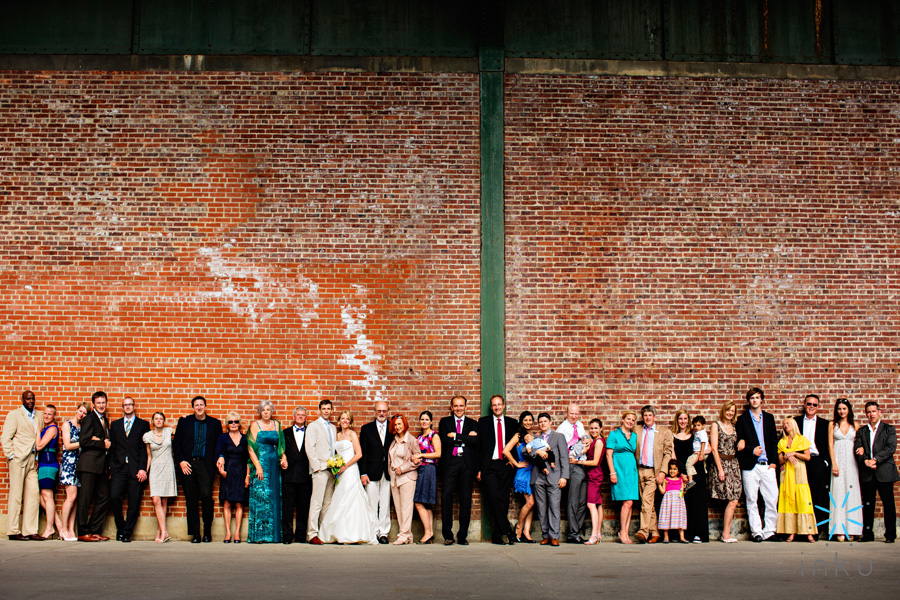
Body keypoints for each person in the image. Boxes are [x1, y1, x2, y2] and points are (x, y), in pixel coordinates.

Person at [319, 410, 378, 544]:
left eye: (347, 419)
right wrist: (335, 466)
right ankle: (338, 532)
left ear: (350, 422)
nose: (345, 421)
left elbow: (359, 454)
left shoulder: (352, 434)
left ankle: (353, 533)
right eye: (343, 418)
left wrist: (345, 466)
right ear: (339, 421)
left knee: (351, 498)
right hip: (339, 471)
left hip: (350, 470)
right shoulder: (337, 435)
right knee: (339, 499)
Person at [172, 395, 223, 543]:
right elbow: (177, 443)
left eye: (201, 405)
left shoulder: (215, 424)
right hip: (187, 464)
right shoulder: (185, 422)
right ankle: (195, 534)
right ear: (193, 407)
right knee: (191, 499)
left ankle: (207, 532)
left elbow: (219, 445)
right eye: (196, 405)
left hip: (205, 465)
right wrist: (181, 461)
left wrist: (221, 456)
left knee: (207, 496)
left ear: (205, 407)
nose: (199, 407)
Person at [735, 387, 779, 543]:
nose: (755, 400)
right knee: (752, 499)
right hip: (750, 466)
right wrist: (751, 450)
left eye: (757, 398)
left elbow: (774, 442)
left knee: (772, 498)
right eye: (752, 398)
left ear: (762, 400)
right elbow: (738, 444)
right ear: (749, 401)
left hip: (767, 465)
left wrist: (774, 462)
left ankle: (770, 531)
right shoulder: (742, 420)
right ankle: (757, 532)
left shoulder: (769, 418)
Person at [854, 401, 899, 543]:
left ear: (879, 412)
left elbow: (891, 448)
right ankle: (867, 535)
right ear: (866, 414)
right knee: (868, 504)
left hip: (884, 471)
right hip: (868, 473)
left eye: (874, 411)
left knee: (888, 504)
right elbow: (857, 448)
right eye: (868, 412)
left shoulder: (889, 429)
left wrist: (875, 460)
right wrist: (865, 460)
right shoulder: (861, 431)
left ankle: (890, 535)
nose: (871, 414)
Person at [477, 394, 519, 545]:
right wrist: (479, 469)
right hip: (489, 466)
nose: (497, 407)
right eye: (494, 405)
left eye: (499, 404)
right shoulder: (483, 422)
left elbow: (517, 444)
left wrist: (514, 461)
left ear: (503, 405)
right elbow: (479, 447)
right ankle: (508, 531)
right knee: (494, 497)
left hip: (505, 466)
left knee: (504, 500)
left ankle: (496, 536)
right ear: (491, 407)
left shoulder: (512, 423)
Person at [2, 390, 43, 541]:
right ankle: (13, 531)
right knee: (16, 495)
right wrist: (11, 456)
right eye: (28, 399)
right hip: (18, 459)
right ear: (22, 400)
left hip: (33, 460)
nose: (31, 401)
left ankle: (30, 530)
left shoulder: (38, 415)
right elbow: (6, 437)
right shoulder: (14, 415)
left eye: (32, 399)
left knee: (33, 495)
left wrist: (37, 456)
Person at [438, 395, 479, 545]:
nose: (458, 408)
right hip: (450, 464)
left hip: (467, 465)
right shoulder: (445, 422)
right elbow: (444, 440)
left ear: (466, 407)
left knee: (465, 500)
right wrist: (465, 438)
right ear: (451, 407)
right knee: (446, 498)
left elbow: (475, 441)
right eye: (456, 406)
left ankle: (462, 536)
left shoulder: (473, 423)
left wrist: (455, 436)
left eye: (461, 406)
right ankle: (448, 535)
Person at [108, 396, 149, 543]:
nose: (128, 407)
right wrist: (112, 467)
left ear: (134, 406)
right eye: (125, 405)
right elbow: (113, 448)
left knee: (134, 502)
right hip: (119, 468)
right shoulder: (115, 425)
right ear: (122, 407)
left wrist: (143, 469)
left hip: (136, 469)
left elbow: (144, 449)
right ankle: (121, 527)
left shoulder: (143, 425)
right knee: (114, 497)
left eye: (130, 404)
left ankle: (127, 532)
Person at [246, 401, 286, 543]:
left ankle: (273, 535)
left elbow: (281, 445)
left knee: (274, 498)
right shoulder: (254, 426)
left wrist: (284, 458)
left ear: (272, 411)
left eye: (268, 409)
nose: (266, 412)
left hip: (274, 465)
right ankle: (259, 535)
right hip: (261, 464)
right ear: (260, 412)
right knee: (261, 497)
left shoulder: (277, 425)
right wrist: (257, 466)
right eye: (263, 410)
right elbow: (250, 448)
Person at [633, 405, 674, 544]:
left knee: (646, 501)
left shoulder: (664, 432)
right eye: (645, 415)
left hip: (653, 471)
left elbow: (668, 453)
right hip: (639, 470)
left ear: (654, 417)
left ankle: (643, 531)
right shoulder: (637, 430)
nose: (647, 418)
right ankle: (655, 533)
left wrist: (663, 472)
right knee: (648, 504)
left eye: (650, 415)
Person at [528, 412, 569, 546]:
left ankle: (554, 535)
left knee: (554, 506)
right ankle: (545, 535)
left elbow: (564, 457)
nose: (543, 423)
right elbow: (525, 451)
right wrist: (536, 451)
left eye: (545, 421)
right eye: (540, 422)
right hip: (538, 476)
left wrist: (564, 476)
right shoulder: (536, 438)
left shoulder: (558, 437)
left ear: (550, 422)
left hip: (554, 476)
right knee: (541, 507)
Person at [76, 391, 112, 542]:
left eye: (103, 403)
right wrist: (101, 443)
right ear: (93, 405)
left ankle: (93, 530)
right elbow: (84, 441)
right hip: (89, 465)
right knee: (85, 499)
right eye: (98, 403)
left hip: (100, 467)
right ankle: (83, 532)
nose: (101, 405)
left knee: (105, 496)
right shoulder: (89, 419)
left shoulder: (105, 421)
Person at [794, 394, 831, 539]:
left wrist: (825, 462)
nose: (811, 406)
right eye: (809, 403)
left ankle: (814, 531)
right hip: (799, 461)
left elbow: (829, 445)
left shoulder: (825, 424)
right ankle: (799, 531)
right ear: (804, 405)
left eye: (814, 404)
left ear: (818, 407)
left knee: (817, 497)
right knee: (800, 496)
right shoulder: (796, 422)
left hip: (817, 461)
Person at [776, 418, 815, 542]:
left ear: (794, 425)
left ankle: (809, 532)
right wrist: (786, 456)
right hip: (786, 472)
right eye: (784, 424)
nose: (785, 425)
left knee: (803, 500)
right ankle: (791, 532)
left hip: (799, 472)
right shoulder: (782, 442)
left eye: (788, 423)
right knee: (788, 501)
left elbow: (808, 457)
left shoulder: (801, 439)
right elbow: (780, 460)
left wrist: (794, 454)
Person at [827, 398, 862, 541]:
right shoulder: (832, 425)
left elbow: (860, 443)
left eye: (844, 408)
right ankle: (839, 529)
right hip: (838, 461)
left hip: (852, 462)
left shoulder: (856, 425)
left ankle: (852, 528)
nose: (842, 411)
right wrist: (834, 464)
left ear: (849, 410)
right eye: (839, 409)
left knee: (852, 493)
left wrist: (862, 449)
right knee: (838, 493)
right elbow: (830, 445)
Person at [358, 400, 392, 544]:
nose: (382, 413)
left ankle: (383, 533)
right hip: (371, 472)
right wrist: (363, 473)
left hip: (388, 472)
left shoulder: (393, 427)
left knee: (385, 504)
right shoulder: (366, 429)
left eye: (384, 411)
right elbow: (363, 453)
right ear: (375, 412)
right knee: (372, 503)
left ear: (388, 412)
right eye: (379, 411)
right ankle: (373, 531)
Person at [708, 401, 742, 543]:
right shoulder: (716, 425)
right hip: (721, 463)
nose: (730, 413)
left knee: (734, 498)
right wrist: (720, 469)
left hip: (734, 464)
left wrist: (743, 441)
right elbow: (714, 449)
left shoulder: (735, 426)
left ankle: (726, 534)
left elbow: (739, 441)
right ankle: (725, 534)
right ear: (724, 411)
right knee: (729, 498)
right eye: (728, 410)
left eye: (733, 411)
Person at [673, 410, 709, 543]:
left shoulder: (695, 434)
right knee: (680, 503)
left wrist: (701, 454)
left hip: (695, 472)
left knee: (696, 503)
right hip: (680, 473)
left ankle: (697, 533)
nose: (683, 421)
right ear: (677, 420)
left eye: (685, 419)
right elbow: (673, 456)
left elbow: (708, 449)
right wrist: (681, 473)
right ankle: (680, 535)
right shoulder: (672, 435)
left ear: (688, 421)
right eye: (680, 419)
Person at [305, 399, 337, 545]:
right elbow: (309, 448)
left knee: (327, 503)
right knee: (316, 502)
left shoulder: (333, 427)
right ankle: (312, 534)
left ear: (331, 410)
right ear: (319, 410)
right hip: (320, 469)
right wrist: (316, 466)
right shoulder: (313, 426)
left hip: (331, 469)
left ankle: (323, 532)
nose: (326, 411)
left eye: (328, 408)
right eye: (323, 408)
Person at [555, 403, 588, 543]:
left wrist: (586, 443)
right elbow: (562, 449)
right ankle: (573, 533)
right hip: (571, 465)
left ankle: (576, 530)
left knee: (582, 501)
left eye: (576, 413)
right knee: (572, 501)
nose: (574, 416)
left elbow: (586, 440)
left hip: (582, 465)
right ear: (566, 413)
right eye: (571, 413)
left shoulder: (580, 425)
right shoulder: (561, 429)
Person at [502, 411, 536, 543]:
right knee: (531, 502)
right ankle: (519, 528)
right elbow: (505, 450)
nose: (528, 422)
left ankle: (526, 533)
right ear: (521, 422)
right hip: (523, 473)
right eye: (525, 420)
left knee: (532, 504)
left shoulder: (533, 436)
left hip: (533, 472)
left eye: (530, 420)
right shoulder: (518, 436)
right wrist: (516, 464)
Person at [606, 410, 639, 544]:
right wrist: (612, 472)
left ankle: (625, 531)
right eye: (628, 419)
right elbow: (609, 455)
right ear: (623, 419)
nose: (630, 422)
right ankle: (623, 532)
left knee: (630, 502)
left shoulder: (635, 436)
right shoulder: (613, 434)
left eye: (633, 420)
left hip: (631, 470)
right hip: (619, 469)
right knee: (627, 502)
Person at [216, 411, 248, 543]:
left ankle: (237, 534)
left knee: (239, 504)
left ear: (239, 423)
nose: (233, 424)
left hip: (241, 473)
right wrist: (222, 472)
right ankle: (228, 533)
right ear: (227, 424)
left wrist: (247, 476)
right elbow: (218, 454)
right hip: (228, 473)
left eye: (235, 421)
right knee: (227, 503)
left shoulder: (245, 438)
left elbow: (248, 459)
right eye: (230, 422)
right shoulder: (223, 438)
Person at [143, 412, 176, 543]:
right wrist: (145, 471)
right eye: (156, 418)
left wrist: (185, 418)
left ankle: (159, 531)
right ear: (152, 421)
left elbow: (184, 430)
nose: (159, 420)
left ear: (164, 421)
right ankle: (165, 532)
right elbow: (149, 456)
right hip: (155, 468)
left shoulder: (169, 431)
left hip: (167, 467)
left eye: (161, 419)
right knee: (156, 499)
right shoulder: (147, 436)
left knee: (163, 501)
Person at [59, 402, 89, 542]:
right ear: (76, 410)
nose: (81, 414)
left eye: (84, 413)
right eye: (80, 411)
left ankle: (71, 529)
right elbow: (67, 445)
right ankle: (63, 529)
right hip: (69, 463)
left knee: (75, 498)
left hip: (79, 464)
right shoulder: (67, 424)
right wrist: (84, 442)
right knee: (70, 497)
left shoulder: (82, 427)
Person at [281, 406, 311, 544]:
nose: (300, 417)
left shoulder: (311, 432)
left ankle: (300, 536)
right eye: (298, 414)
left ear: (306, 418)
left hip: (305, 475)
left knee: (303, 507)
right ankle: (287, 536)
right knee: (287, 507)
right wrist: (282, 458)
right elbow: (280, 449)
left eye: (303, 415)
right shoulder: (285, 433)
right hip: (289, 474)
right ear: (293, 417)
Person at [388, 414, 420, 544]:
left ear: (405, 424)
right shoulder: (394, 440)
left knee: (406, 508)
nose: (397, 426)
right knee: (399, 509)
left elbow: (418, 460)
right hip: (394, 479)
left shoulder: (411, 440)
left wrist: (403, 468)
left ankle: (403, 535)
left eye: (400, 424)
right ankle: (407, 536)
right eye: (395, 424)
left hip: (407, 477)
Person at [412, 410, 440, 544]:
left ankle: (428, 533)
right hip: (421, 469)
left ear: (431, 422)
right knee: (426, 502)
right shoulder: (418, 438)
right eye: (422, 419)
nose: (424, 422)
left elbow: (438, 454)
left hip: (429, 469)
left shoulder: (433, 435)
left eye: (426, 420)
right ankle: (430, 533)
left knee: (419, 501)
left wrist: (421, 456)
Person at [36, 404, 63, 539]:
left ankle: (49, 528)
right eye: (44, 414)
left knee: (47, 496)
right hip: (43, 464)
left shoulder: (52, 429)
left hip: (48, 465)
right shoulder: (46, 428)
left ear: (54, 416)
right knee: (42, 497)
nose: (46, 416)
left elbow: (39, 446)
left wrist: (36, 432)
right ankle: (58, 524)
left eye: (49, 414)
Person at [581, 418, 605, 545]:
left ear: (601, 429)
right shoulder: (594, 441)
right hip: (593, 475)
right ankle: (599, 533)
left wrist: (579, 462)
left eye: (596, 428)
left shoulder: (599, 442)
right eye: (592, 428)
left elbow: (595, 462)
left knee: (591, 505)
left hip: (595, 475)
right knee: (597, 504)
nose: (593, 430)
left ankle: (594, 535)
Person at [658, 459, 687, 543]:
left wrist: (684, 489)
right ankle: (666, 537)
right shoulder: (666, 480)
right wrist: (660, 485)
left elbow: (682, 492)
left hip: (678, 502)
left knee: (679, 518)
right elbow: (663, 491)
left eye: (674, 469)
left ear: (678, 471)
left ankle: (682, 537)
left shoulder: (680, 480)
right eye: (670, 469)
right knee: (666, 517)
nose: (672, 471)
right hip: (668, 501)